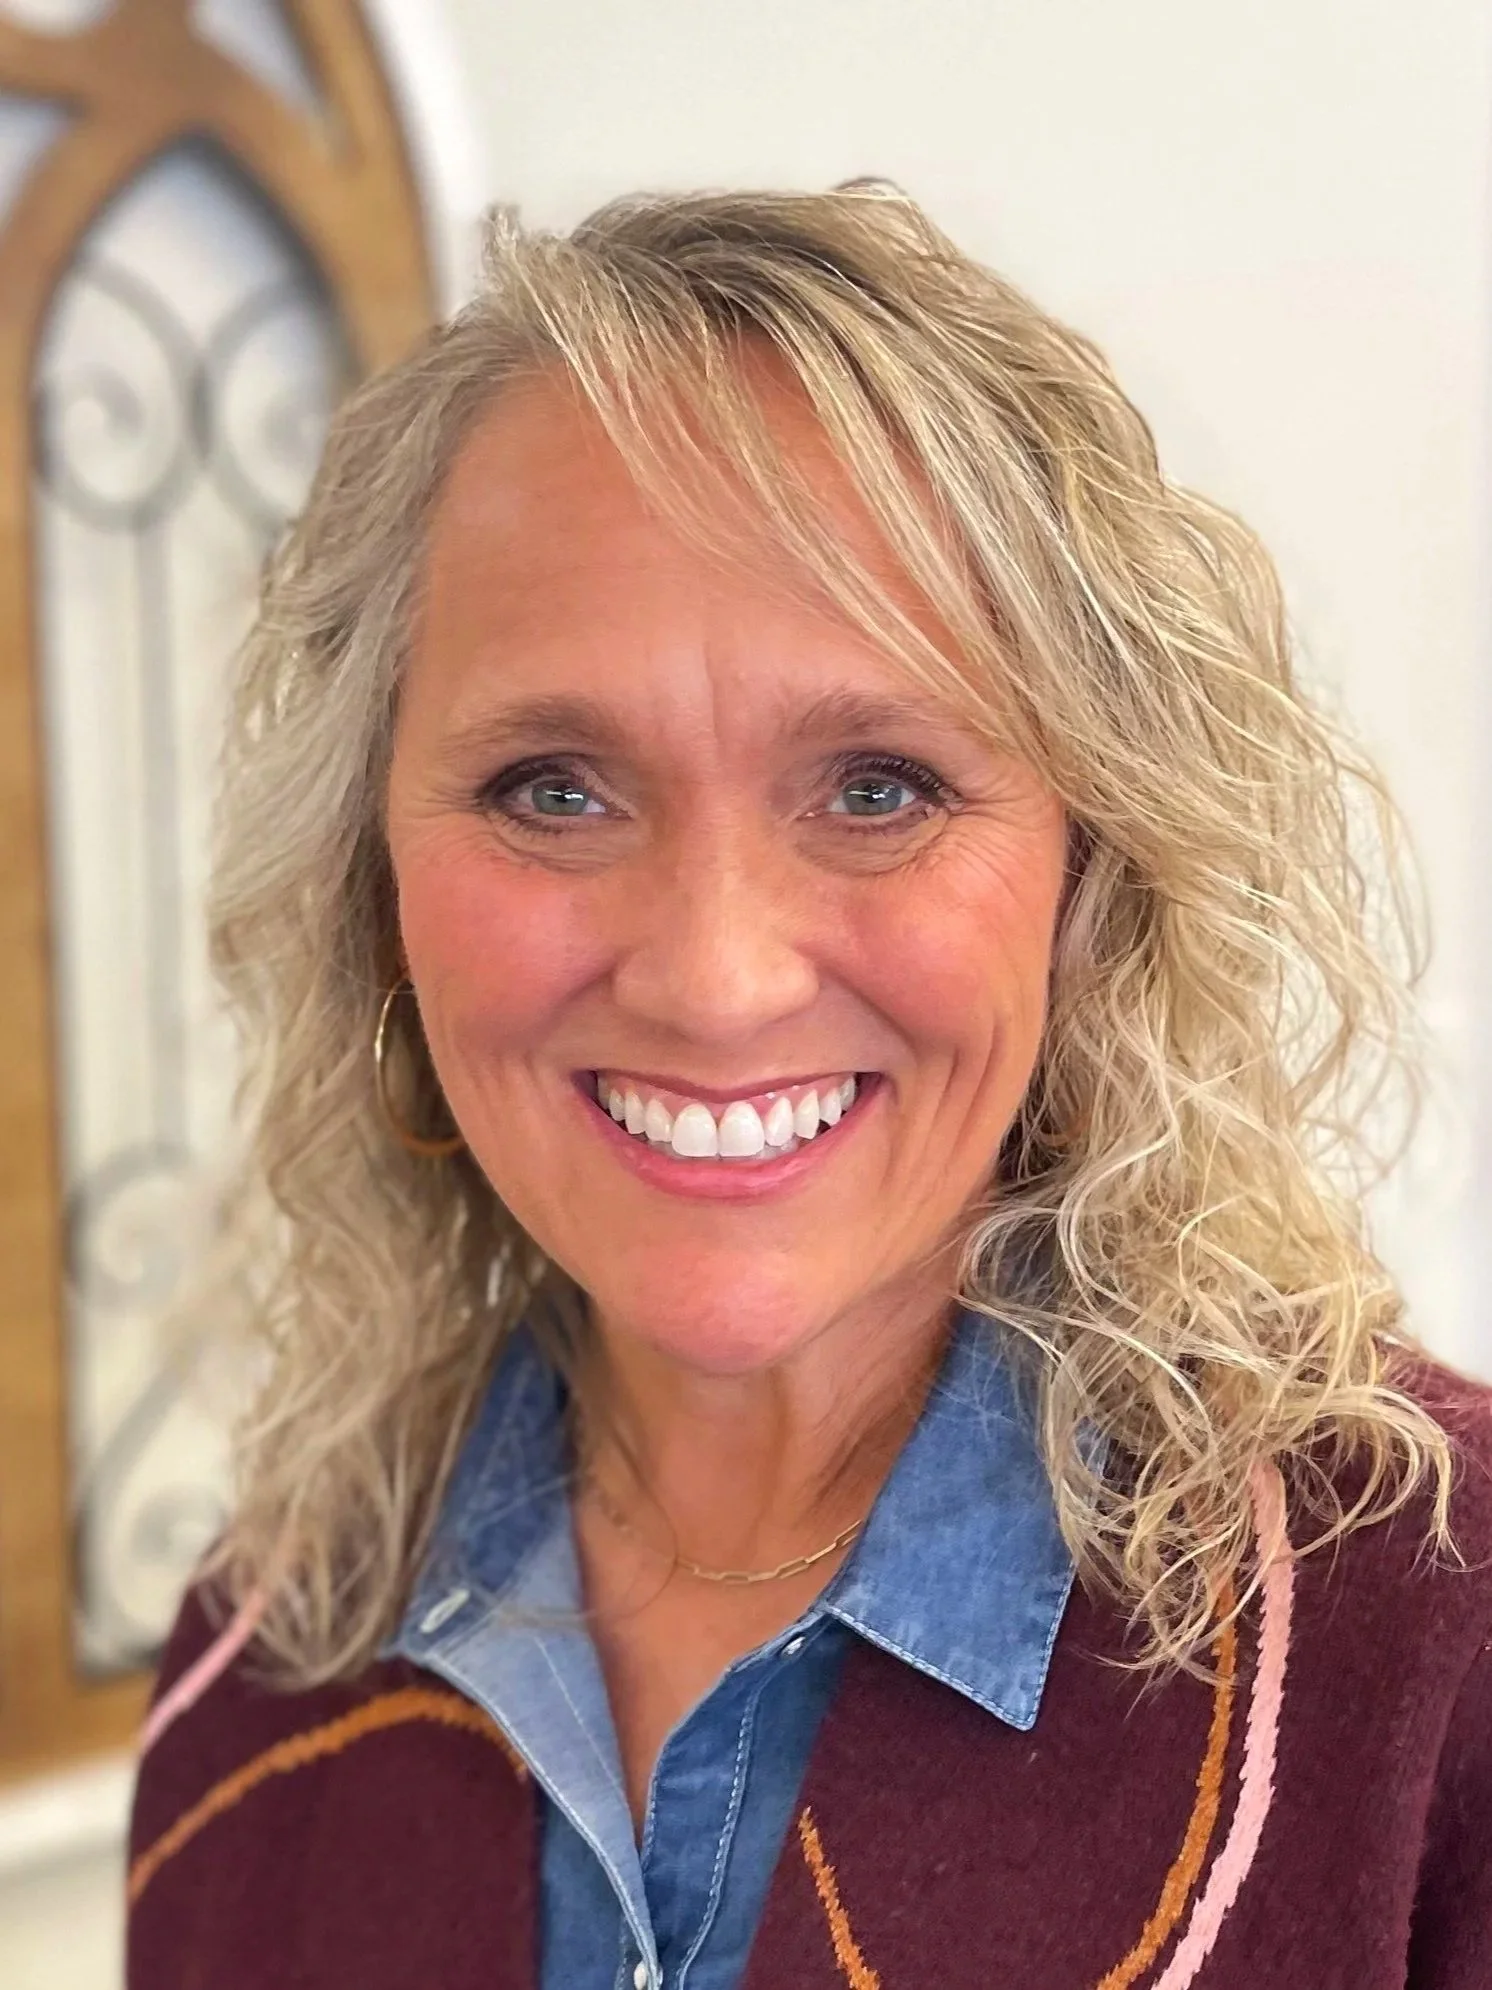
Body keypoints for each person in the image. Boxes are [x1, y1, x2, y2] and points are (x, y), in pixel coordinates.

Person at [126, 183, 1492, 1990]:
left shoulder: (1439, 1655)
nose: (715, 975)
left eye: (877, 787)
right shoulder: (263, 1674)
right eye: (553, 787)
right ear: (371, 883)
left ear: (1093, 872)